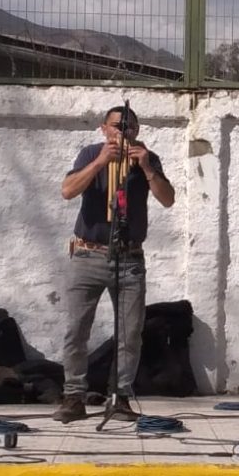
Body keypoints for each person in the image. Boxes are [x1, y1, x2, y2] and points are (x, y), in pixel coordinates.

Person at [55, 105, 176, 422]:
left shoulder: (147, 158)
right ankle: (73, 396)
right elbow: (67, 190)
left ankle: (120, 396)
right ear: (103, 129)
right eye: (118, 126)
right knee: (76, 330)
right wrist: (99, 163)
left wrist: (148, 168)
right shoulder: (90, 154)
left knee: (130, 332)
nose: (125, 132)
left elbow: (168, 199)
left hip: (130, 257)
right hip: (87, 253)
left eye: (131, 127)